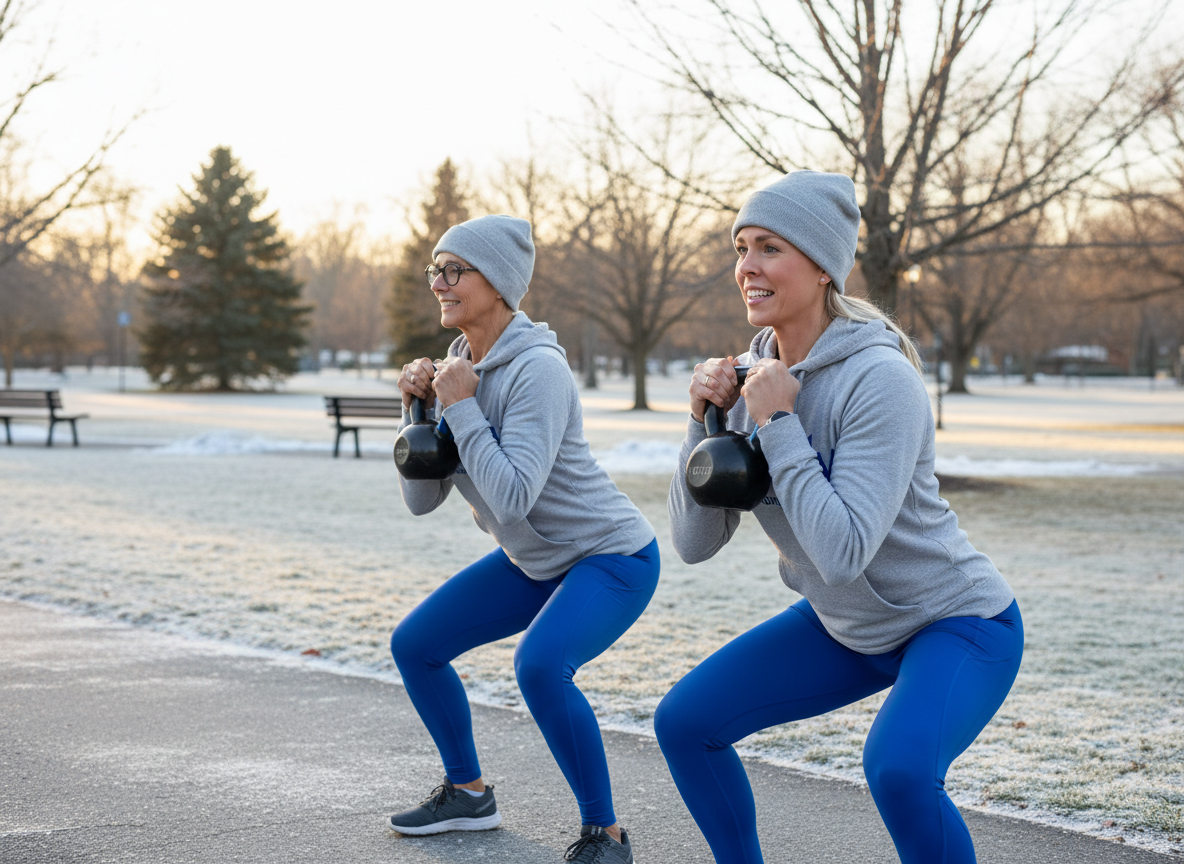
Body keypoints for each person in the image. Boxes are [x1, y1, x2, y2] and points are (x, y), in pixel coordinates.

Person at [658, 171, 1022, 864]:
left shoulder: (880, 379)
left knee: (900, 770)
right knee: (686, 722)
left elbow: (844, 550)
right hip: (846, 624)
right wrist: (700, 424)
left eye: (769, 248)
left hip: (955, 621)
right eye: (741, 248)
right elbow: (693, 542)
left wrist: (780, 423)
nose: (747, 267)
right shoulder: (746, 380)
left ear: (823, 266)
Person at [388, 214, 657, 864]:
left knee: (540, 666)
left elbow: (512, 495)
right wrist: (416, 412)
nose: (440, 284)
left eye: (455, 271)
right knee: (416, 645)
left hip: (611, 557)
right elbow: (422, 501)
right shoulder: (458, 367)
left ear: (500, 283)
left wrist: (459, 407)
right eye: (436, 270)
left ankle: (607, 836)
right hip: (534, 559)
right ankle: (468, 793)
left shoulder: (539, 371)